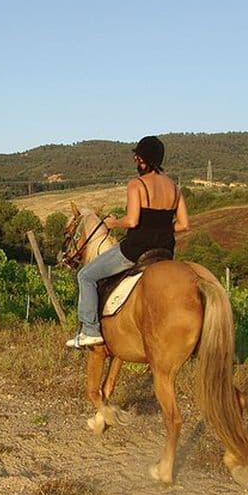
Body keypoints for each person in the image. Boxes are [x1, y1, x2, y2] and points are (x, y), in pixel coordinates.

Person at [66, 135, 190, 348]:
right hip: (164, 251)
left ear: (143, 160)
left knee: (85, 275)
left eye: (137, 158)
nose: (135, 162)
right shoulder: (174, 188)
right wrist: (159, 228)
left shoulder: (137, 185)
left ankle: (89, 330)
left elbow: (132, 221)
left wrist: (114, 223)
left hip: (135, 250)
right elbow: (183, 225)